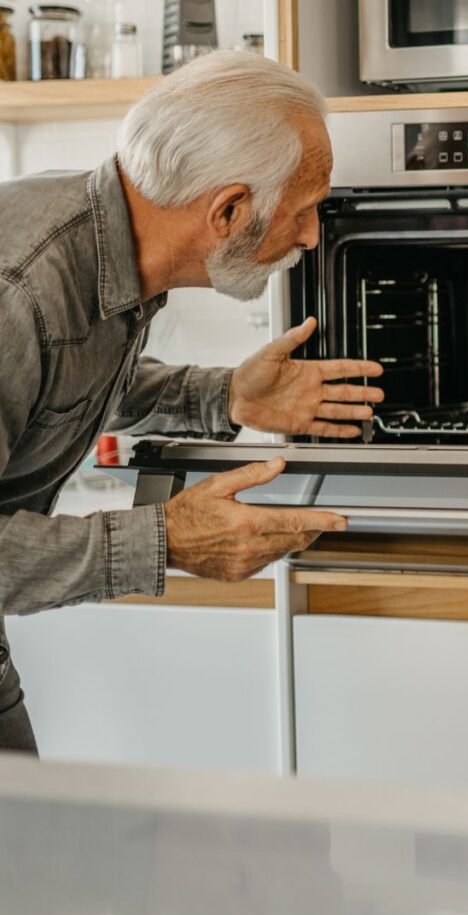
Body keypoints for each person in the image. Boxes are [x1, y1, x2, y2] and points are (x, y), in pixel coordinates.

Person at [0, 52, 385, 752]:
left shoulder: (101, 243)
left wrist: (227, 394)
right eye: (304, 212)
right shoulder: (20, 287)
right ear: (229, 210)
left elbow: (63, 375)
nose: (310, 236)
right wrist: (162, 539)